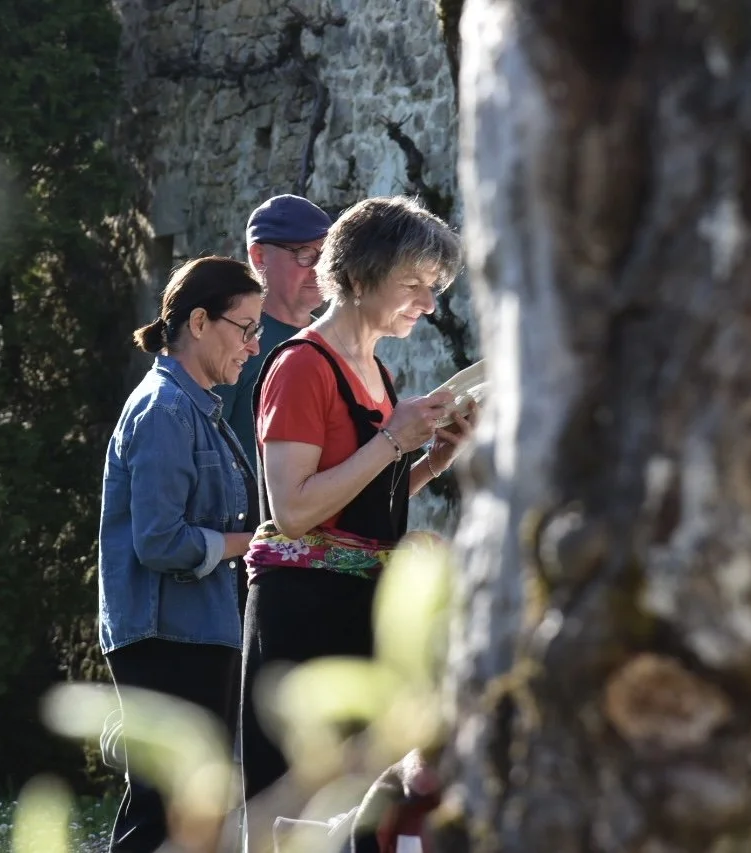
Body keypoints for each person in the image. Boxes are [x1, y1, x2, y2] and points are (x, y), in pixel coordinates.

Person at [237, 196, 473, 845]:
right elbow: (291, 511)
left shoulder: (377, 371)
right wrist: (393, 443)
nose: (427, 304)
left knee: (354, 803)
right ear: (363, 276)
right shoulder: (299, 366)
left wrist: (433, 458)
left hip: (357, 603)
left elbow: (356, 505)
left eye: (434, 289)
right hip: (304, 615)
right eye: (415, 285)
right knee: (297, 798)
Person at [97, 256, 265, 853]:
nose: (254, 345)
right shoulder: (165, 410)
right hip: (169, 636)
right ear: (199, 322)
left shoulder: (195, 407)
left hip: (199, 633)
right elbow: (159, 540)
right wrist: (247, 545)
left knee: (191, 811)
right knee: (164, 810)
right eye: (245, 328)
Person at [215, 194, 332, 471]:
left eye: (326, 256)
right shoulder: (230, 340)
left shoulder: (333, 340)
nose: (319, 271)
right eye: (305, 255)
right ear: (259, 256)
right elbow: (199, 454)